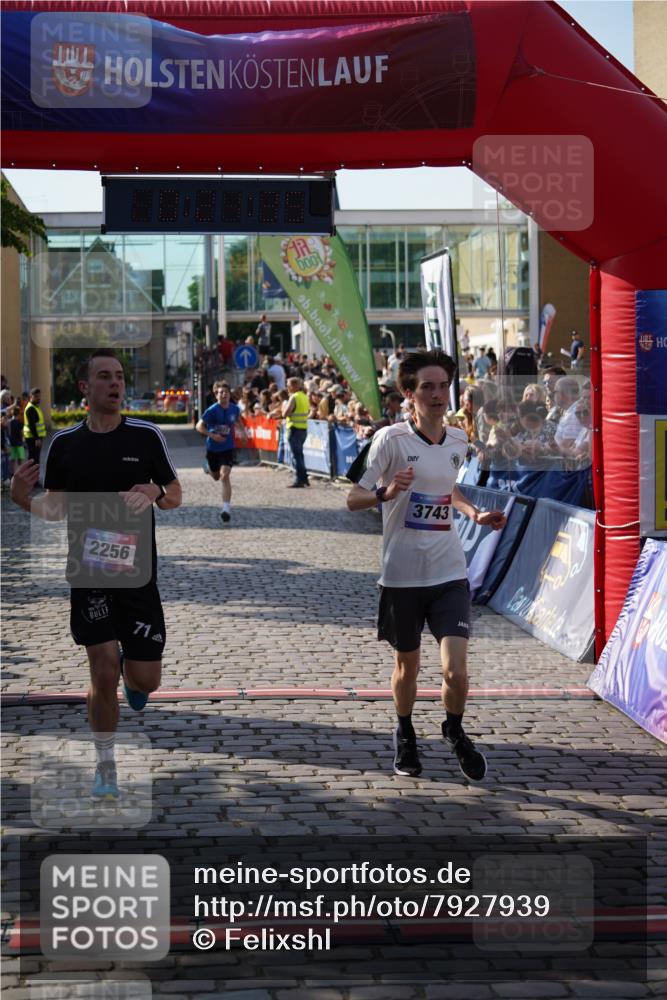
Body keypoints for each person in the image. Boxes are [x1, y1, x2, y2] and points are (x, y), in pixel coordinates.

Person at [10, 348, 182, 799]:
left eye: (120, 377)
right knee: (101, 671)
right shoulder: (65, 445)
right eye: (104, 377)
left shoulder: (146, 437)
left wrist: (155, 488)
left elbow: (176, 495)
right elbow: (55, 508)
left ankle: (135, 673)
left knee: (146, 682)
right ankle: (105, 766)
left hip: (138, 575)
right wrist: (22, 498)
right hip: (88, 572)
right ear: (85, 388)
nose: (116, 384)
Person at [346, 349, 506, 781]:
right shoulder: (391, 441)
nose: (437, 395)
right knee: (408, 668)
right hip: (401, 576)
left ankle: (454, 731)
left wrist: (474, 514)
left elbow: (447, 489)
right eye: (427, 387)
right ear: (408, 394)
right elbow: (352, 497)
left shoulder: (457, 440)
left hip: (449, 573)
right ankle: (404, 732)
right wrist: (384, 493)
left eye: (443, 386)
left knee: (456, 671)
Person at [196, 381, 241, 523]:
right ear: (217, 395)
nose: (224, 394)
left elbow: (237, 420)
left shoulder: (235, 409)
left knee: (224, 476)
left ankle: (226, 509)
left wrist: (244, 433)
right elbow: (199, 426)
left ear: (229, 394)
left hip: (228, 448)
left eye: (226, 392)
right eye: (221, 392)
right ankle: (207, 467)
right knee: (215, 476)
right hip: (213, 448)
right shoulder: (212, 410)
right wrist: (212, 435)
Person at [282, 376, 310, 488]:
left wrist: (283, 408)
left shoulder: (294, 397)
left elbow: (285, 413)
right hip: (303, 429)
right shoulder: (304, 396)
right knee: (300, 456)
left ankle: (300, 480)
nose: (287, 388)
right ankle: (304, 478)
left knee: (297, 457)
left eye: (288, 385)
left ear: (294, 386)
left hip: (294, 429)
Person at [23, 387, 47, 464]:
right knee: (33, 459)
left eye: (39, 396)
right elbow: (31, 425)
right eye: (36, 397)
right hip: (32, 438)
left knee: (35, 458)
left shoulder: (35, 407)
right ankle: (33, 475)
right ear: (31, 396)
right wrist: (37, 439)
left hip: (34, 437)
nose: (38, 398)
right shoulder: (31, 408)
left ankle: (35, 475)